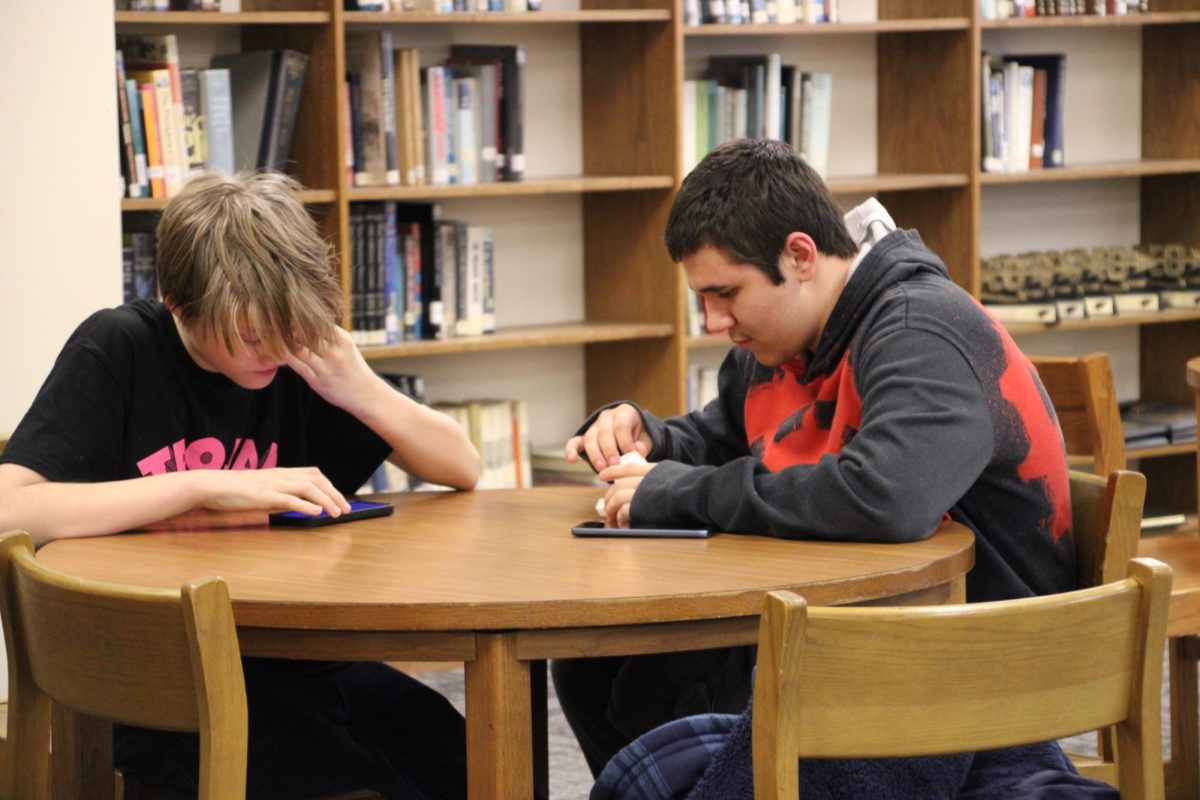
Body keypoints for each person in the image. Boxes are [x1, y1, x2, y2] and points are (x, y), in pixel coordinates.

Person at [554, 139, 1097, 798]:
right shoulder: (778, 344)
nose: (714, 321)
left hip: (971, 652)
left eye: (726, 293)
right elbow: (724, 443)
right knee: (599, 662)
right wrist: (645, 438)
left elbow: (885, 497)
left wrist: (677, 494)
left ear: (800, 256)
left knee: (656, 706)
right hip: (860, 622)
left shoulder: (917, 326)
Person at [0, 171, 480, 800]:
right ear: (178, 303)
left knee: (469, 762)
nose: (274, 350)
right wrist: (203, 487)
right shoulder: (120, 348)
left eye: (287, 327)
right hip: (162, 683)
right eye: (252, 335)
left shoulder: (297, 353)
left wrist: (360, 388)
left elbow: (462, 467)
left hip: (295, 657)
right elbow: (11, 506)